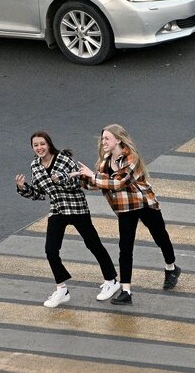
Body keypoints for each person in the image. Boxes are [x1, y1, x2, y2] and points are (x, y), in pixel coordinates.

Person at [77, 124, 180, 305]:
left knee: (160, 237)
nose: (103, 142)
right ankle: (126, 291)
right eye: (102, 139)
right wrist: (78, 179)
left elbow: (118, 183)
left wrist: (92, 175)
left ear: (118, 139)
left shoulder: (131, 158)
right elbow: (98, 184)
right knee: (125, 248)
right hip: (125, 209)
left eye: (107, 138)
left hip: (143, 203)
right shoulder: (104, 162)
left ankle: (171, 268)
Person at [16, 130, 121, 307]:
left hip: (77, 208)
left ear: (48, 144)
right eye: (36, 145)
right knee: (51, 250)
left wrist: (61, 180)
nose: (39, 148)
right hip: (57, 210)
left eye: (42, 144)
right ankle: (61, 289)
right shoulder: (35, 165)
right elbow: (40, 193)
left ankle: (112, 281)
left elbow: (79, 181)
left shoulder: (63, 159)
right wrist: (23, 187)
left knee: (93, 244)